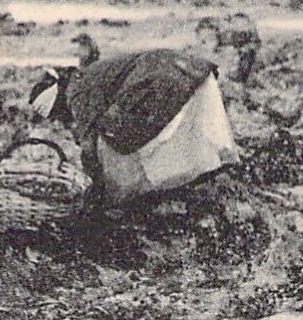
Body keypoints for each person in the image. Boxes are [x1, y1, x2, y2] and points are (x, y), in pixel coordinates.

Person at [29, 46, 238, 208]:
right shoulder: (82, 79)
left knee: (118, 136)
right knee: (130, 133)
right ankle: (199, 180)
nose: (60, 121)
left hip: (168, 78)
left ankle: (182, 186)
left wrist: (94, 191)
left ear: (57, 104)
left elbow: (90, 146)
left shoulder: (76, 93)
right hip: (187, 69)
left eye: (56, 115)